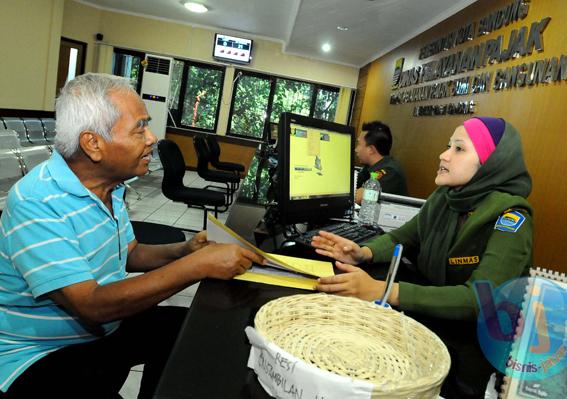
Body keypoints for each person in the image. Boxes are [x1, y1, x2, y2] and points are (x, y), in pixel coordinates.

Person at [0, 73, 264, 398]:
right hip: (42, 354)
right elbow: (92, 305)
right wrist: (199, 267)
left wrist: (186, 250)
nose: (152, 138)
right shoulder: (37, 201)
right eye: (139, 127)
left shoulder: (108, 186)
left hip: (103, 329)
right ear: (93, 144)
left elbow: (131, 253)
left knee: (188, 333)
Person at [312, 117, 533, 398]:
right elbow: (401, 237)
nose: (444, 154)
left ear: (491, 162)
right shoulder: (445, 198)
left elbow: (479, 299)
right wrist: (363, 253)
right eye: (447, 146)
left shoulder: (511, 219)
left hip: (470, 355)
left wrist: (385, 291)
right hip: (427, 325)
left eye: (459, 149)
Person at [354, 121, 407, 204]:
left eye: (359, 144)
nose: (356, 149)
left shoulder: (390, 173)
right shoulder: (369, 167)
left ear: (371, 150)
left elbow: (358, 197)